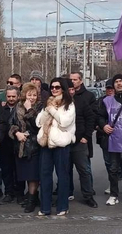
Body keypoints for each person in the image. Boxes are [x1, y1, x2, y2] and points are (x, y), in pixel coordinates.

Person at [36, 77, 76, 216]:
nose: (54, 89)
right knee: (44, 176)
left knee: (63, 175)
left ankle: (63, 206)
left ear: (63, 89)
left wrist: (52, 110)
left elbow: (64, 122)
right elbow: (38, 122)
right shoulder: (47, 103)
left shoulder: (69, 104)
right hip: (46, 143)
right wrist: (47, 110)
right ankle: (45, 207)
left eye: (57, 87)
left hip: (61, 144)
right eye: (52, 87)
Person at [98, 74, 122, 207]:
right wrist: (104, 126)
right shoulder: (107, 101)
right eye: (116, 82)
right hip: (113, 139)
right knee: (113, 169)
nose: (119, 83)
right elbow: (100, 116)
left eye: (121, 81)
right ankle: (113, 194)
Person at [9, 83, 43, 213]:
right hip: (21, 146)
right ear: (24, 95)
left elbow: (37, 125)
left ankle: (31, 200)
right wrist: (16, 133)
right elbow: (11, 123)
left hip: (35, 145)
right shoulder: (18, 106)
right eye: (29, 95)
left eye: (34, 95)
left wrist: (29, 110)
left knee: (33, 175)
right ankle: (33, 197)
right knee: (26, 174)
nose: (32, 98)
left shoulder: (40, 107)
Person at [68, 72, 97, 206]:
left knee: (84, 170)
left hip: (80, 141)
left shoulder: (85, 99)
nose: (73, 82)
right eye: (71, 80)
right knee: (65, 170)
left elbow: (91, 117)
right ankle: (66, 193)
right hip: (65, 141)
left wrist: (86, 136)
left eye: (75, 80)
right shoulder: (61, 101)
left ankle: (88, 195)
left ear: (80, 81)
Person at [0, 85, 21, 204]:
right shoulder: (1, 108)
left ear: (18, 96)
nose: (11, 99)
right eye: (9, 96)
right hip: (4, 143)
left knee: (19, 170)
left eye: (13, 96)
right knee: (6, 170)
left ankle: (19, 193)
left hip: (18, 144)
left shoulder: (21, 108)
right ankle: (9, 192)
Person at [98, 80, 116, 197]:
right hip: (105, 136)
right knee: (109, 162)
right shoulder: (101, 101)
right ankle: (112, 184)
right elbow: (97, 116)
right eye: (108, 88)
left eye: (111, 88)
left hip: (120, 137)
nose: (110, 90)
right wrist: (102, 126)